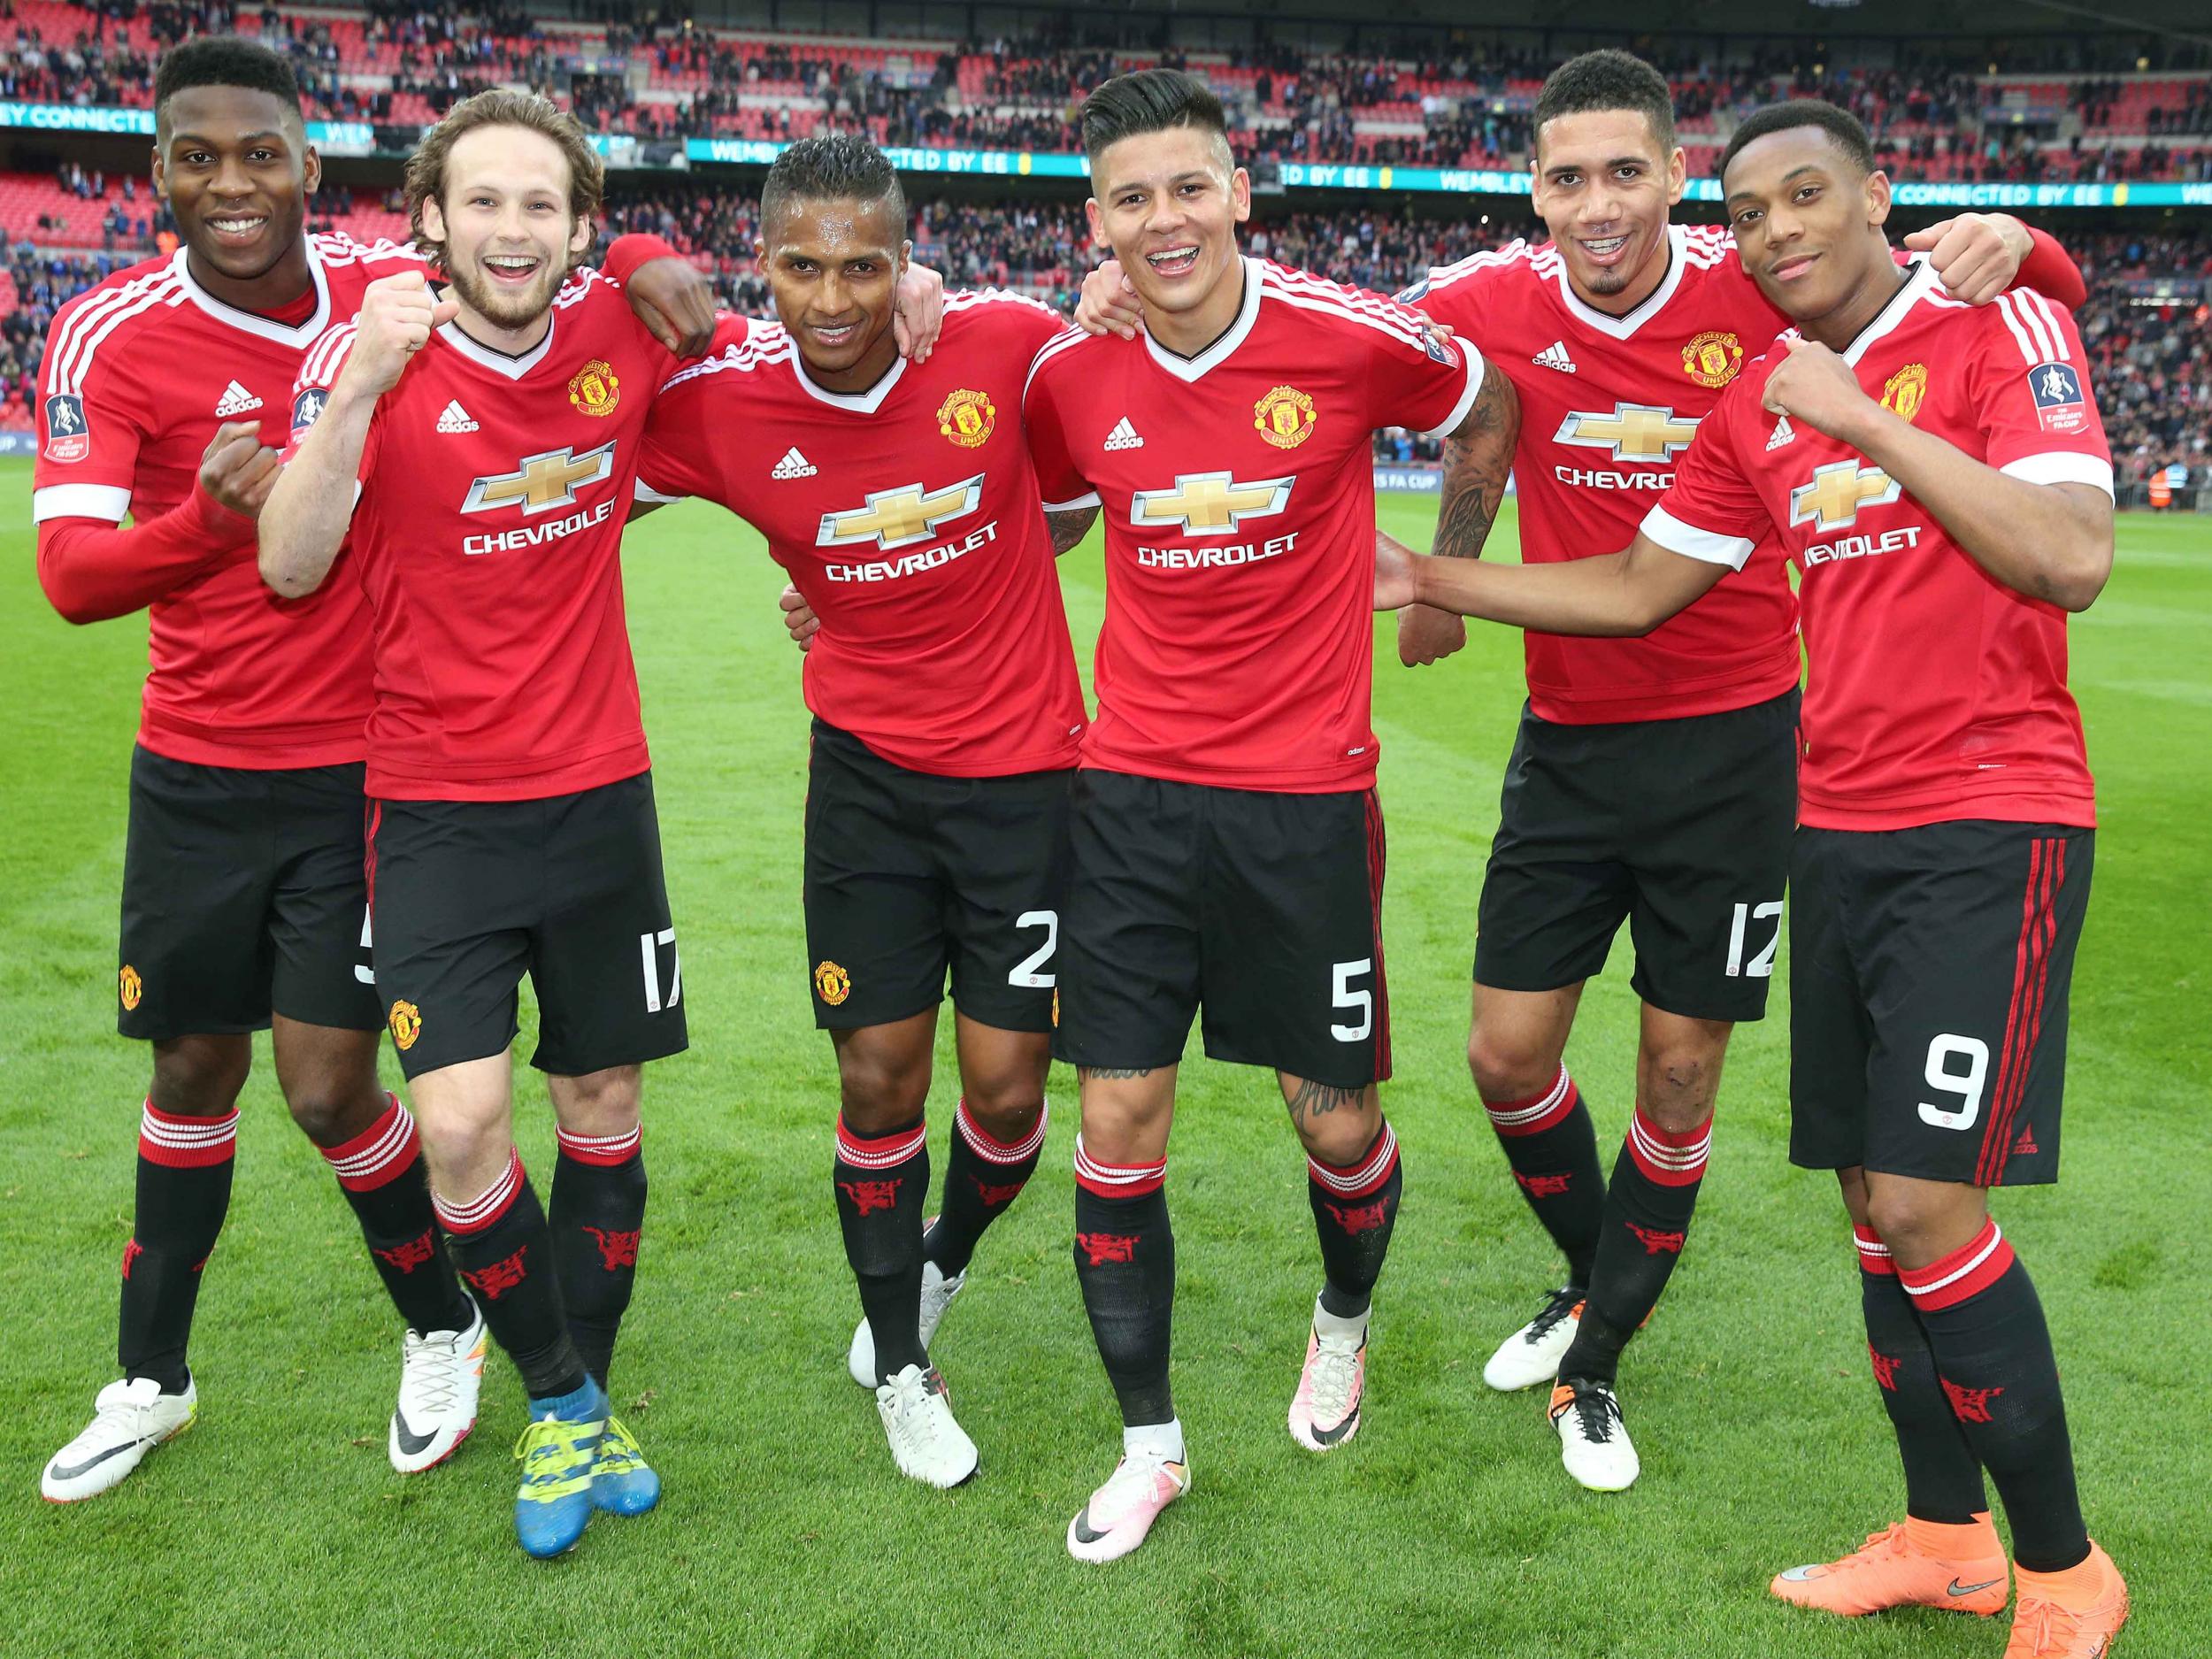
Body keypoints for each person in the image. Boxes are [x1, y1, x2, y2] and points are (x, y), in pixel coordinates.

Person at [1078, 49, 2088, 1494]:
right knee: (1503, 1056)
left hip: (1743, 745)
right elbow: (1279, 325)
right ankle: (1589, 1275)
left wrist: (2029, 235)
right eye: (1567, 178)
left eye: (1627, 172)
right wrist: (1121, 284)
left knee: (1678, 1079)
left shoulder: (1770, 275)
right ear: (1534, 192)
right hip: (1568, 739)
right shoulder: (1488, 299)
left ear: (1677, 180)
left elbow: (1981, 290)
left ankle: (1599, 1356)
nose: (1598, 205)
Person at [1376, 99, 2127, 1658]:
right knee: (1871, 1197)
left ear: (1882, 202)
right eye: (1758, 207)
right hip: (1836, 819)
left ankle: (2064, 1569)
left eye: (1809, 198)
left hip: (1990, 819)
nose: (1781, 230)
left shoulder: (1999, 324)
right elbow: (1645, 585)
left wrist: (1867, 415)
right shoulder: (1757, 411)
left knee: (1927, 1199)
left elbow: (2068, 558)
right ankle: (1944, 1538)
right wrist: (1430, 572)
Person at [33, 35, 712, 1503]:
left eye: (261, 153)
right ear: (152, 172)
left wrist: (642, 234)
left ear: (313, 167)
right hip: (201, 761)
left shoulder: (382, 284)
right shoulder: (114, 329)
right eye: (198, 156)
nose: (233, 183)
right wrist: (211, 526)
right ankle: (152, 1377)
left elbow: (531, 215)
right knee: (195, 1064)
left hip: (374, 768)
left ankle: (448, 1332)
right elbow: (79, 579)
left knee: (337, 1088)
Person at [1024, 69, 1518, 1563]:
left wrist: (1440, 574)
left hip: (1302, 803)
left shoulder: (1352, 339)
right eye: (1131, 199)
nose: (1163, 221)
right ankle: (1151, 1447)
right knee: (1114, 1119)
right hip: (1125, 799)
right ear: (1097, 222)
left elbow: (1486, 402)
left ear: (1239, 191)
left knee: (1341, 1122)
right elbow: (1038, 506)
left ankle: (1343, 1319)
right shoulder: (1071, 371)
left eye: (1188, 188)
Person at [257, 88, 696, 1561]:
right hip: (434, 808)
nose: (511, 230)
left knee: (603, 1113)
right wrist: (357, 387)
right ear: (430, 218)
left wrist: (942, 290)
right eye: (483, 202)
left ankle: (583, 1399)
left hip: (600, 804)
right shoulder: (371, 349)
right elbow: (290, 560)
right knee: (458, 1128)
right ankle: (564, 1388)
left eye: (541, 206)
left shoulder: (622, 339)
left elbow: (809, 352)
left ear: (578, 232)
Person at [631, 134, 1093, 1489]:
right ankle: (902, 1364)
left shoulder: (1005, 344)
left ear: (909, 261)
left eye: (865, 267)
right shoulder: (719, 405)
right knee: (880, 1077)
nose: (832, 300)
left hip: (1025, 783)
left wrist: (904, 548)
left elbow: (1066, 510)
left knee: (1007, 1098)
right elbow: (561, 399)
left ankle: (938, 1262)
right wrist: (623, 254)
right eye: (801, 268)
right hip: (869, 792)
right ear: (759, 262)